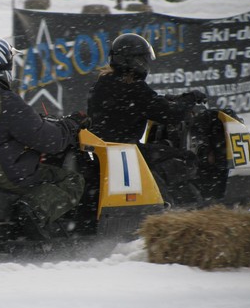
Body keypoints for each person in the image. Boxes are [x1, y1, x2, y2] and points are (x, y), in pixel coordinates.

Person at [0, 36, 89, 240]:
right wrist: (72, 124)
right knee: (71, 179)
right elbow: (51, 142)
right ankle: (33, 212)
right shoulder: (6, 100)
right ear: (2, 64)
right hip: (1, 174)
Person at [87, 33, 207, 200]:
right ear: (132, 61)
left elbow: (149, 102)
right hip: (127, 151)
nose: (145, 64)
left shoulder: (104, 82)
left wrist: (172, 99)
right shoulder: (134, 88)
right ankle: (164, 201)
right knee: (186, 158)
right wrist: (191, 98)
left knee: (162, 148)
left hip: (106, 149)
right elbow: (170, 114)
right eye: (142, 60)